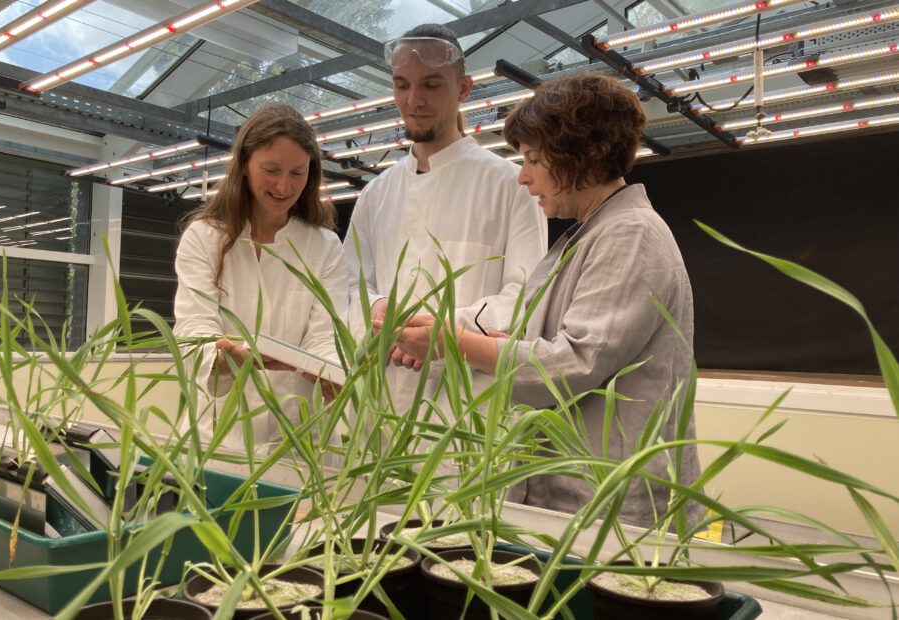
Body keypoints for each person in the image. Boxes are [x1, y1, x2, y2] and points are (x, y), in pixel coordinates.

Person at [389, 72, 701, 526]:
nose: (523, 177)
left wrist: (454, 344)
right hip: (573, 488)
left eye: (534, 159)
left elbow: (575, 363)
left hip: (612, 505)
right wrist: (476, 340)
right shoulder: (589, 235)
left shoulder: (630, 234)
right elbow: (557, 343)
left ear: (583, 156)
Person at [343, 23, 547, 414]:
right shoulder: (376, 194)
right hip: (381, 403)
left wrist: (444, 331)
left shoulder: (511, 185)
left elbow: (525, 295)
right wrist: (376, 307)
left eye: (432, 85)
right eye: (402, 85)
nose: (414, 100)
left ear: (464, 88)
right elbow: (349, 283)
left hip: (469, 405)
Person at [174, 102, 347, 452]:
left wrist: (330, 372)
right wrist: (224, 356)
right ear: (244, 166)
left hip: (298, 438)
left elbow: (326, 335)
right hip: (217, 438)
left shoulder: (324, 245)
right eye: (271, 170)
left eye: (297, 173)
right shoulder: (205, 237)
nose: (284, 185)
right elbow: (193, 330)